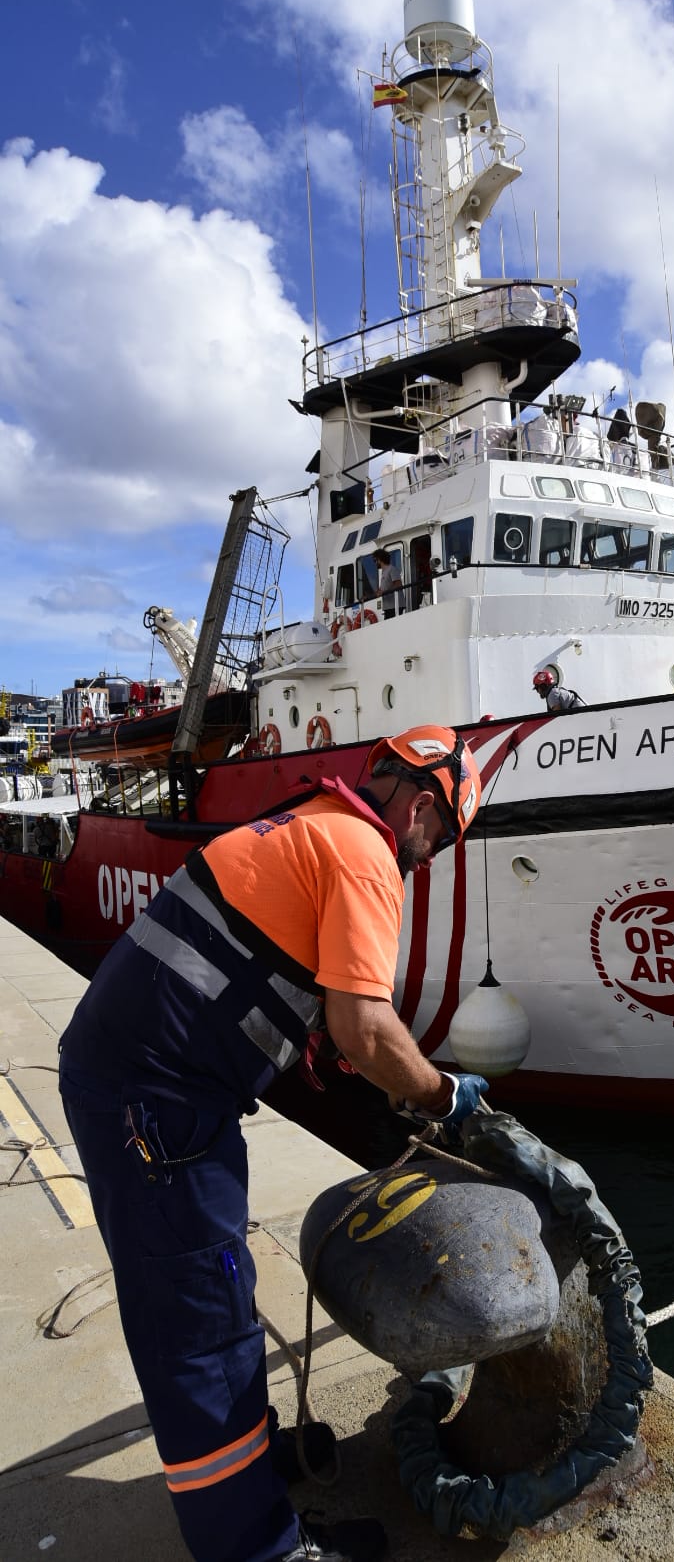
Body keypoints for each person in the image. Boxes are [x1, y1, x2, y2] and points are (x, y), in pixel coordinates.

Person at [58, 725, 488, 1562]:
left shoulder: (311, 825)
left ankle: (250, 1461)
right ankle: (256, 1546)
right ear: (421, 808)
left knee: (222, 1288)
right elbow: (365, 1029)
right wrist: (442, 1094)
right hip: (157, 1107)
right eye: (441, 837)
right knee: (200, 1323)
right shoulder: (365, 856)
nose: (430, 855)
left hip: (146, 1090)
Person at [373, 548, 401, 619]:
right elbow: (381, 590)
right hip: (388, 607)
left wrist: (384, 592)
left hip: (395, 606)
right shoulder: (384, 572)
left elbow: (398, 584)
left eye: (375, 560)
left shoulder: (392, 569)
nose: (375, 563)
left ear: (380, 559)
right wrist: (368, 596)